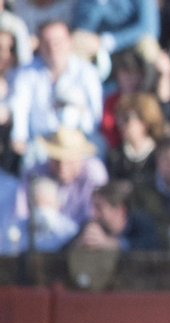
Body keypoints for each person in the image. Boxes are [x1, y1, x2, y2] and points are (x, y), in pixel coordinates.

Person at [8, 20, 102, 155]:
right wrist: (19, 137)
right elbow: (20, 107)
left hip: (78, 140)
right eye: (47, 42)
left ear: (69, 41)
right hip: (41, 143)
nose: (53, 47)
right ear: (39, 45)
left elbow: (95, 113)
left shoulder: (88, 72)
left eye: (58, 41)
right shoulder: (26, 73)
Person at [27, 126, 107, 226]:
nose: (62, 167)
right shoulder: (35, 173)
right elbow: (20, 212)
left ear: (80, 157)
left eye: (69, 160)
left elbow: (99, 214)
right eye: (57, 160)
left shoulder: (93, 173)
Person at [73, 177, 160, 250]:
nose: (93, 213)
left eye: (99, 208)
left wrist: (109, 244)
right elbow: (63, 250)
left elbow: (149, 248)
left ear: (120, 210)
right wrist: (79, 244)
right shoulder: (91, 224)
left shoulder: (142, 223)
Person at [105, 93, 164, 186]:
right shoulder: (115, 157)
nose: (121, 123)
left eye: (126, 118)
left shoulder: (160, 154)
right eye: (119, 118)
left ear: (144, 121)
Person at [69, 0, 158, 61]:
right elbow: (83, 28)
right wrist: (98, 3)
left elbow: (148, 28)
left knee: (147, 45)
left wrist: (109, 41)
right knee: (76, 41)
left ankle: (149, 88)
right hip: (99, 44)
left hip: (130, 42)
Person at [25, 173, 79, 250]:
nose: (43, 209)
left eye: (48, 203)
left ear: (58, 204)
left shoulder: (70, 231)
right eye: (38, 204)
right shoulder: (19, 228)